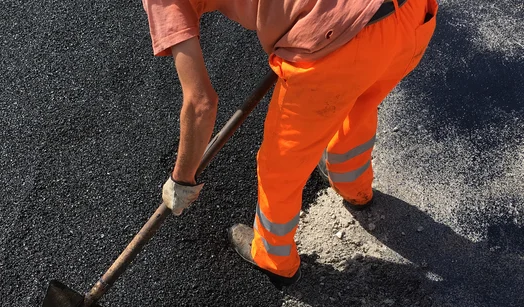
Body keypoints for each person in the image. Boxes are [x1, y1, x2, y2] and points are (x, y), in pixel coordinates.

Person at [143, 0, 438, 288]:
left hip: (341, 43)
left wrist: (182, 179)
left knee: (281, 166)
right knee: (361, 103)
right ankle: (354, 186)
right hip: (410, 16)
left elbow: (201, 103)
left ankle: (273, 257)